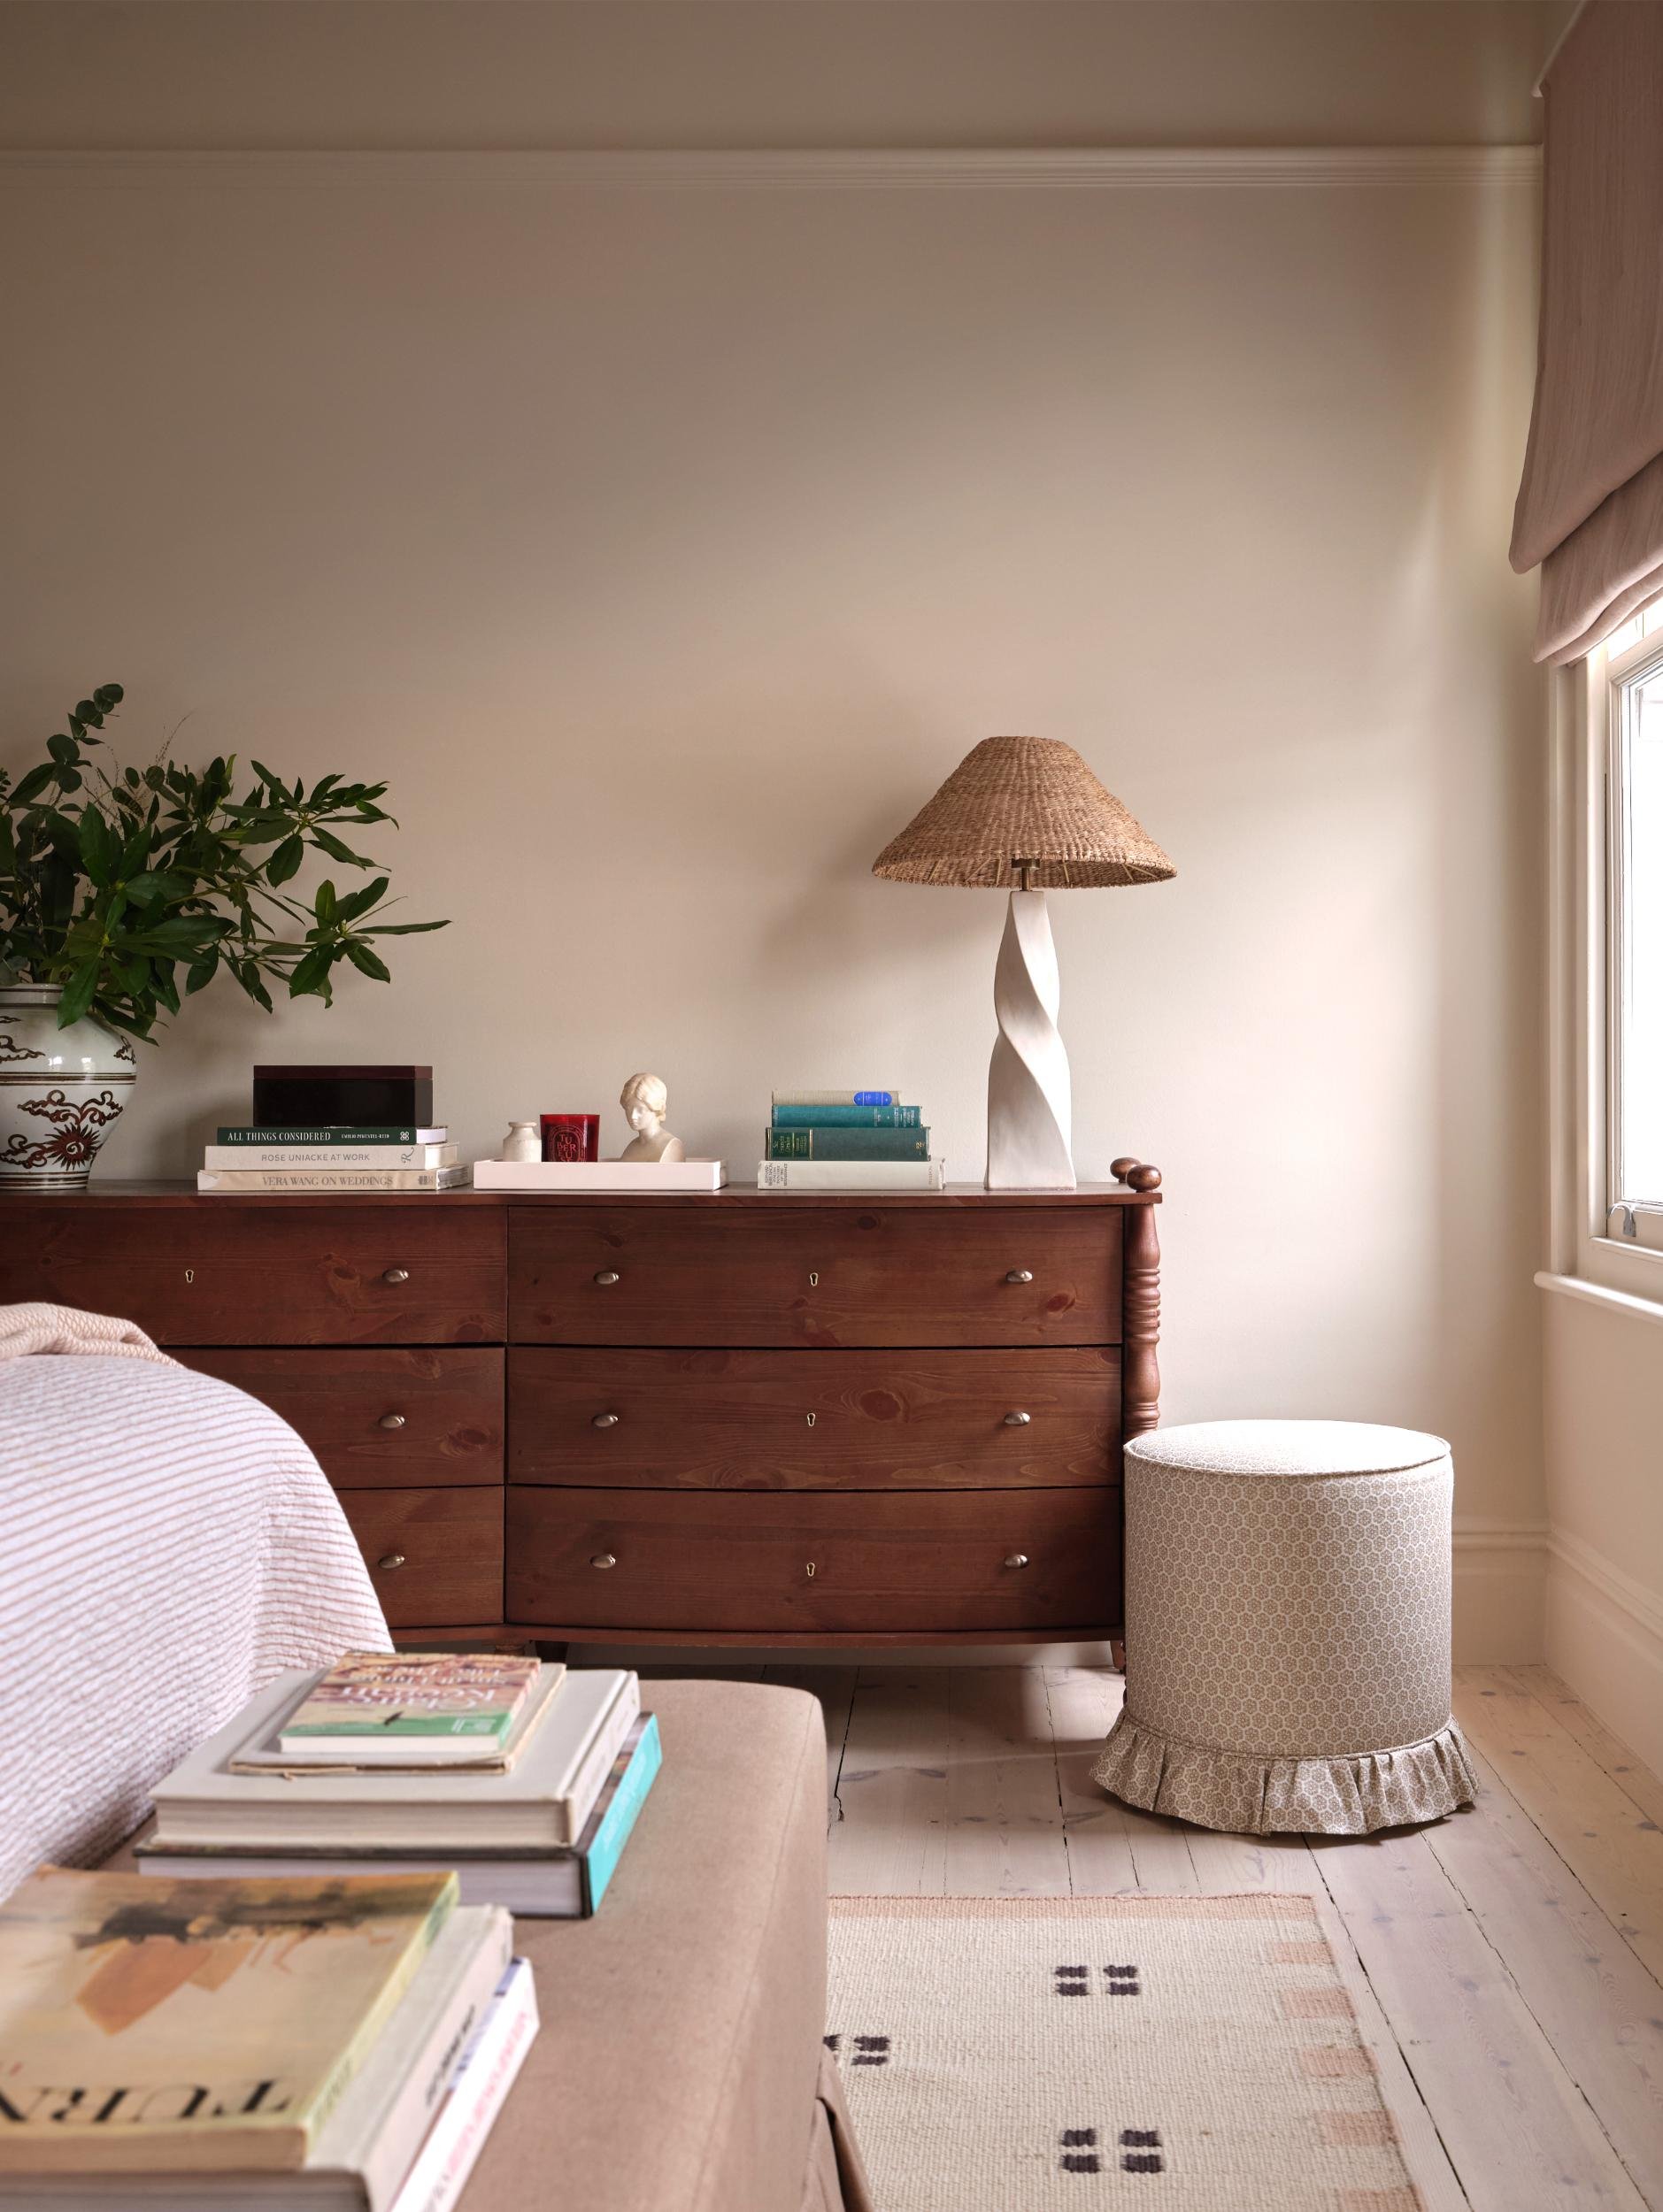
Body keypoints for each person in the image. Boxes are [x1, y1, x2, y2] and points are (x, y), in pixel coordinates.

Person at [618, 1071, 686, 1164]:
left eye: (640, 1110)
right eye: (629, 1108)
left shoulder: (671, 1145)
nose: (633, 1116)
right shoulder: (632, 1147)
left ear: (655, 1108)